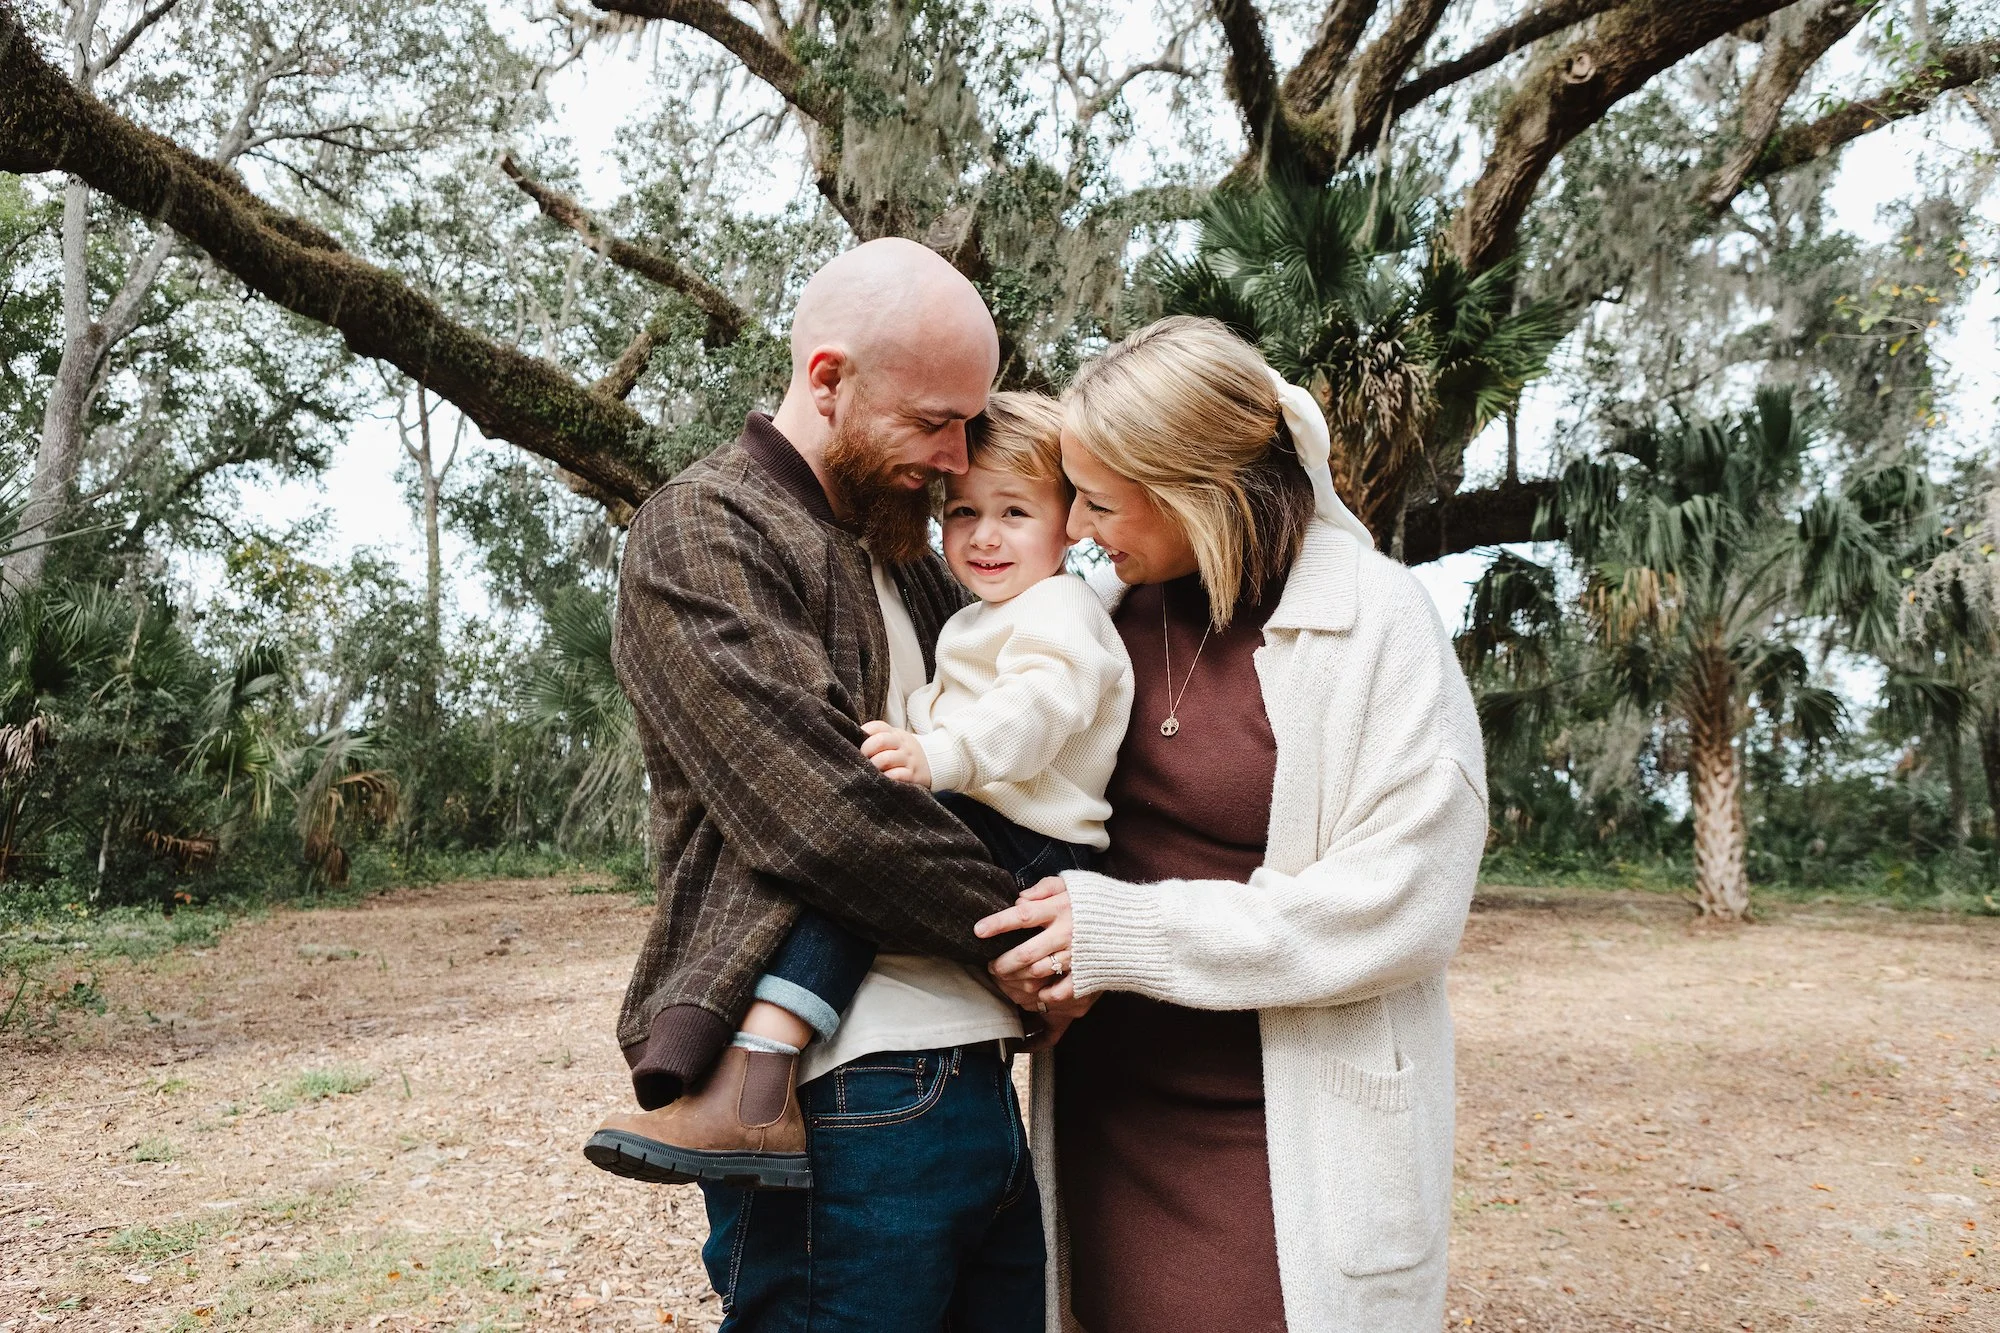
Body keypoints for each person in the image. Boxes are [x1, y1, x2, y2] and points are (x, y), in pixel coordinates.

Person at [975, 316, 1489, 1331]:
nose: (1073, 524)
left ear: (1194, 492)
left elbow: (1405, 904)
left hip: (1283, 1129)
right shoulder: (1094, 615)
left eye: (1100, 498)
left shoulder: (1376, 625)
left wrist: (1118, 935)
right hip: (1110, 1115)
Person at [588, 238, 1051, 1332]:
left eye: (970, 427)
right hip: (839, 1092)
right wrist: (1027, 938)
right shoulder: (705, 528)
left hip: (979, 1075)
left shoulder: (914, 561)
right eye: (933, 421)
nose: (955, 458)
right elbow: (821, 812)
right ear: (828, 379)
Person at [590, 391, 1132, 1186]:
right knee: (859, 840)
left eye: (1016, 511)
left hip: (1039, 842)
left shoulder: (1060, 608)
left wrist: (936, 755)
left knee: (857, 858)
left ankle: (754, 1075)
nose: (983, 534)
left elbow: (1036, 709)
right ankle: (749, 1079)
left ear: (1071, 521)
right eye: (963, 512)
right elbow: (923, 723)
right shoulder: (968, 608)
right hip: (992, 858)